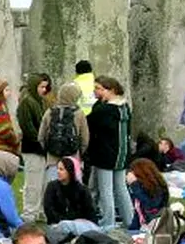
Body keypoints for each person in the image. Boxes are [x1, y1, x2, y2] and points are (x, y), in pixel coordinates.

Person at [85, 76, 134, 229]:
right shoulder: (124, 107)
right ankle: (130, 221)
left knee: (106, 191)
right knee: (121, 189)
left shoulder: (104, 109)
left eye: (99, 89)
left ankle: (108, 222)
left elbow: (89, 124)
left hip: (105, 154)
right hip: (122, 154)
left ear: (111, 90)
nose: (96, 92)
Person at [18, 73, 52, 221]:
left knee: (43, 183)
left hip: (41, 148)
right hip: (32, 148)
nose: (43, 90)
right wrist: (40, 140)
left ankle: (40, 210)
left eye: (45, 87)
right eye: (41, 87)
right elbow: (28, 127)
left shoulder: (40, 101)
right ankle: (29, 213)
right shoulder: (27, 102)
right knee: (33, 183)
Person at [39, 81, 89, 173]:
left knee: (53, 185)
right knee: (72, 186)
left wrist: (48, 149)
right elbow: (85, 138)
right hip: (73, 158)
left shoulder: (49, 112)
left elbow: (41, 136)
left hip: (52, 158)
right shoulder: (79, 114)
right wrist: (79, 152)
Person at [42, 157, 98, 228]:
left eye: (61, 169)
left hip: (78, 225)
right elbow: (49, 210)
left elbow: (89, 211)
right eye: (58, 169)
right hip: (57, 225)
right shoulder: (52, 187)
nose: (58, 172)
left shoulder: (82, 190)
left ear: (70, 171)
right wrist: (64, 221)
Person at [127, 158, 170, 230]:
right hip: (142, 228)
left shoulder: (157, 189)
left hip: (155, 229)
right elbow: (138, 213)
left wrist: (134, 185)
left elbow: (150, 206)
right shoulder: (140, 187)